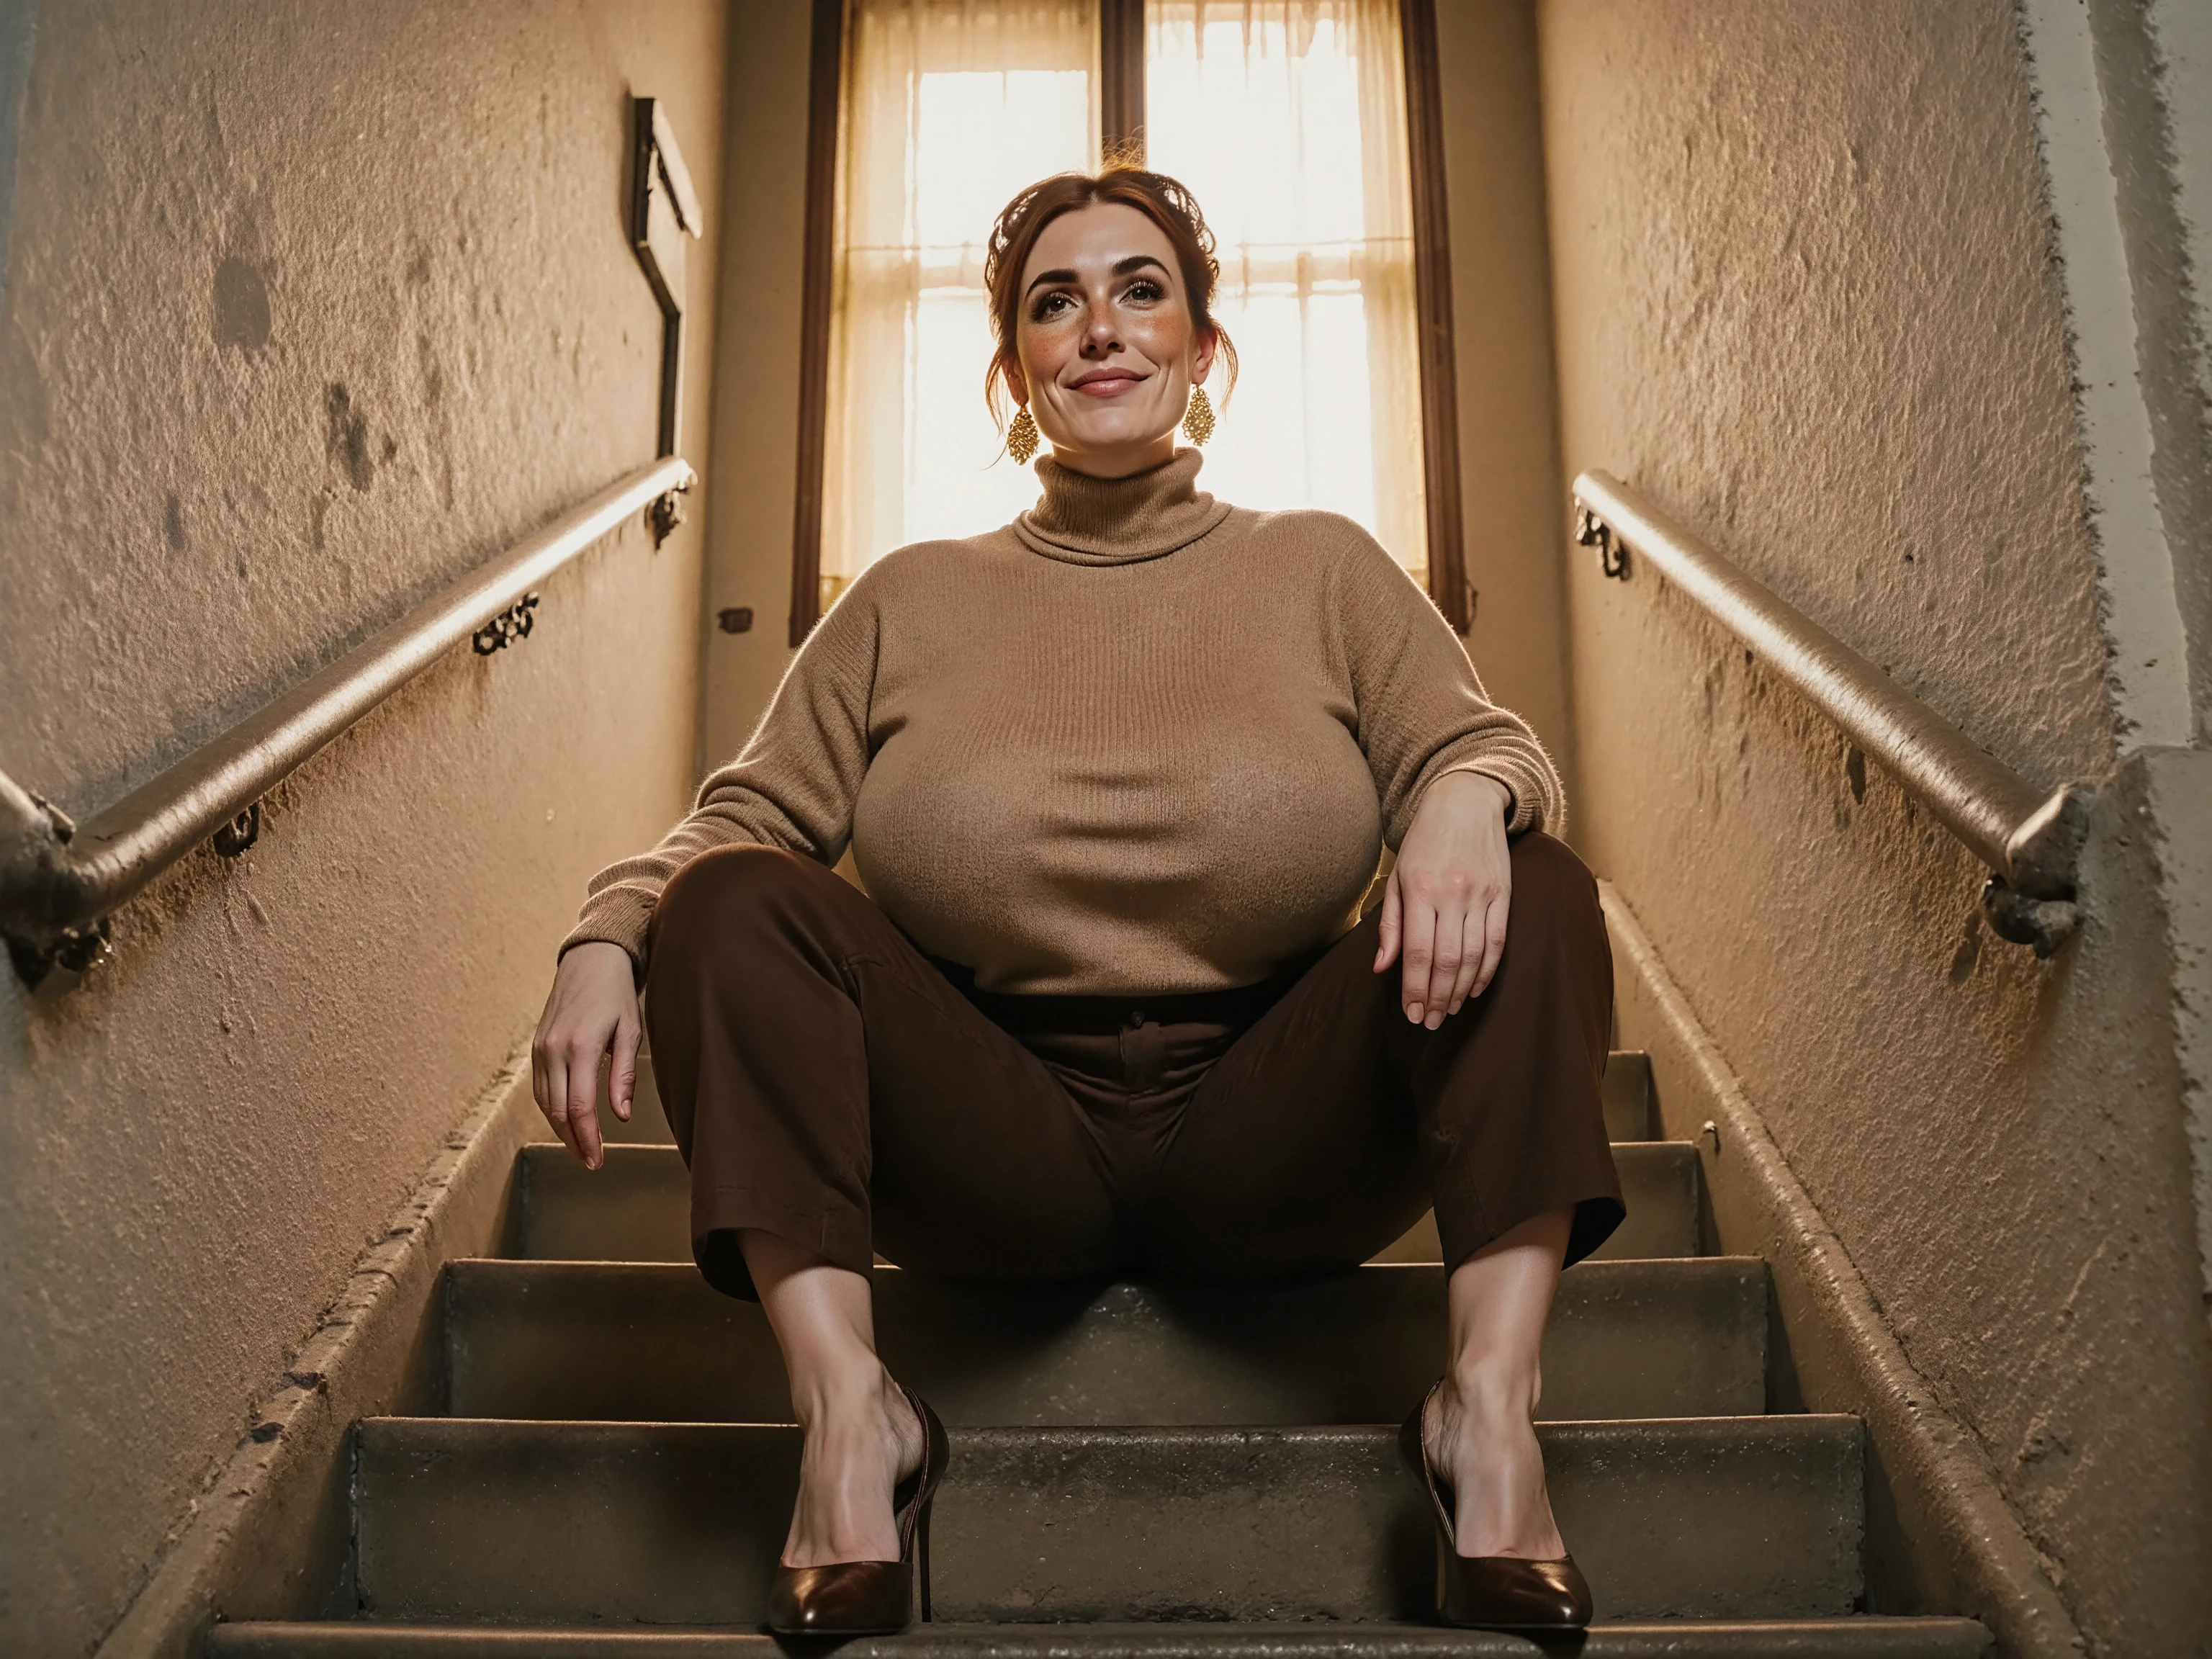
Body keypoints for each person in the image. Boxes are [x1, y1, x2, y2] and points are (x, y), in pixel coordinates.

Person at [531, 163, 1622, 1637]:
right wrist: (609, 931)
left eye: (1140, 289)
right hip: (994, 1131)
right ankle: (855, 1417)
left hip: (1278, 1120)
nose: (1100, 327)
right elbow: (742, 816)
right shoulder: (907, 599)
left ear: (1201, 350)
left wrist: (1460, 796)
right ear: (1015, 374)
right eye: (1057, 302)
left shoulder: (1324, 569)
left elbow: (1488, 744)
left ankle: (1488, 1412)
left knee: (1536, 877)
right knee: (729, 899)